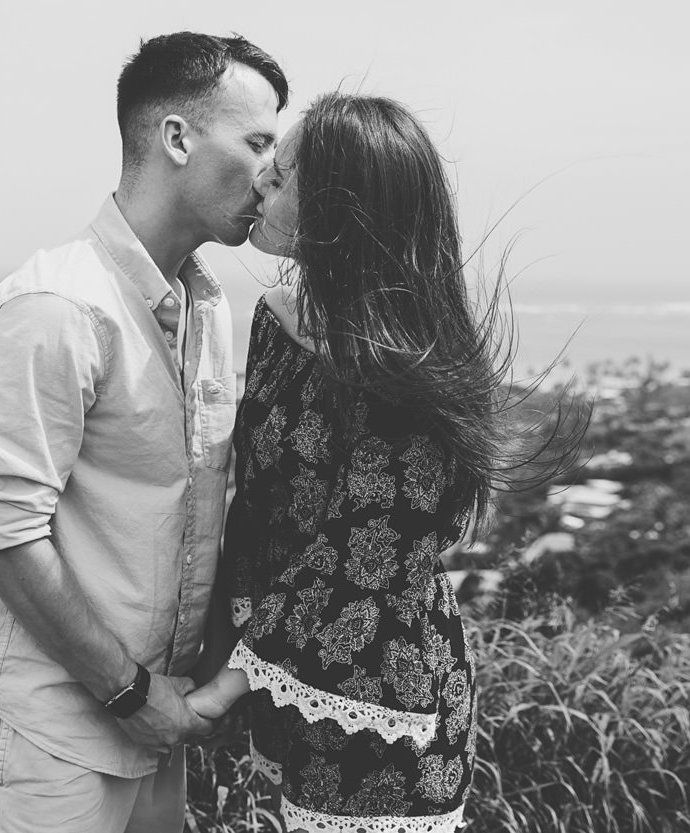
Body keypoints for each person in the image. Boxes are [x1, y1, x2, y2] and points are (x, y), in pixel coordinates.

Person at [0, 32, 288, 833]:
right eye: (259, 141)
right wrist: (129, 692)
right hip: (46, 738)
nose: (272, 171)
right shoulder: (59, 307)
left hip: (154, 728)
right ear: (176, 137)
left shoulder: (206, 305)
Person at [188, 93, 525, 832]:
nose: (260, 188)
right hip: (287, 679)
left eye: (280, 180)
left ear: (338, 208)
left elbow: (365, 557)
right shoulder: (276, 319)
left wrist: (219, 689)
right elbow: (259, 503)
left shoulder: (406, 363)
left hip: (383, 700)